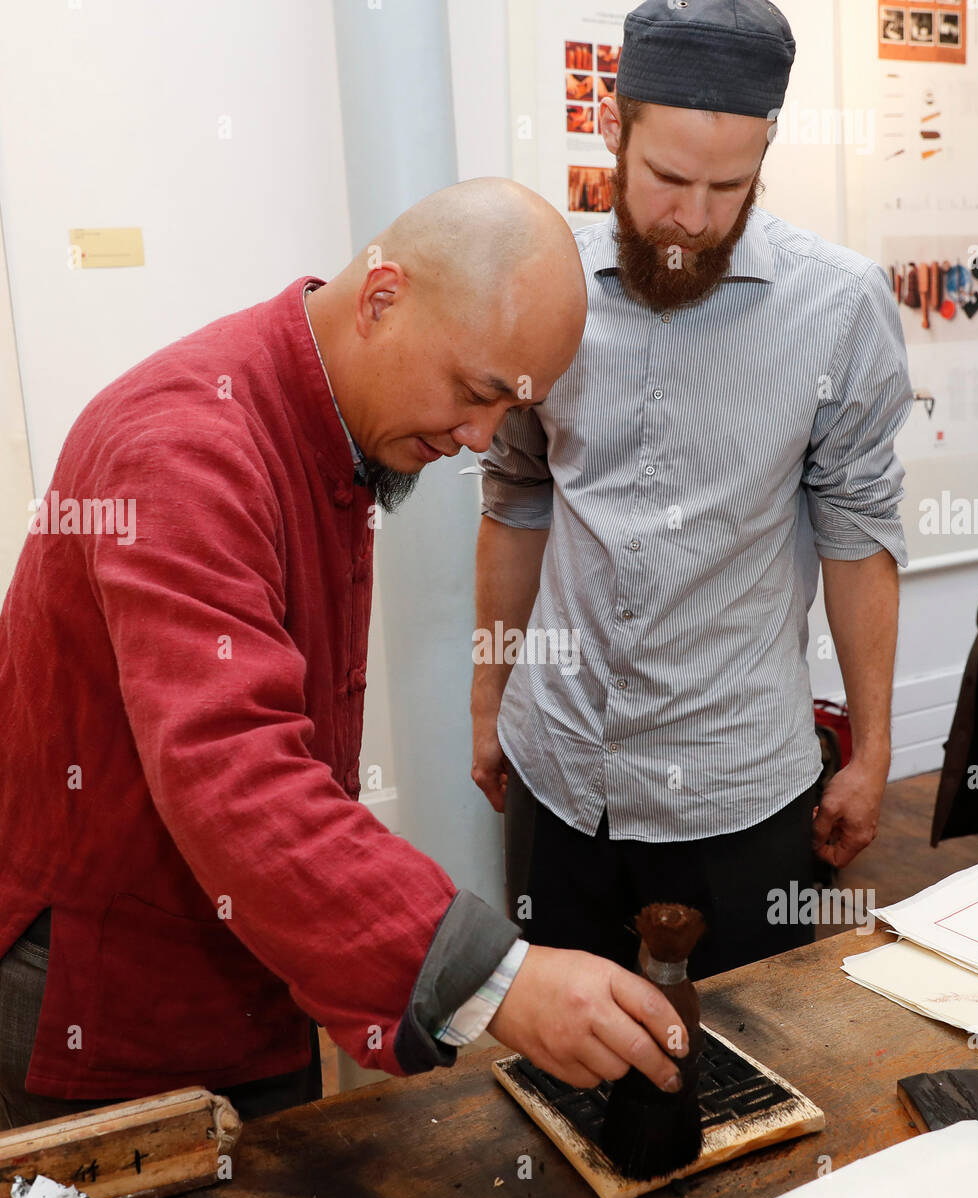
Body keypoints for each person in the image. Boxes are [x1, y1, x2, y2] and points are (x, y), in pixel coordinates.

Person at [0, 177, 689, 1131]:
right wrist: (497, 980)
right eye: (475, 392)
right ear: (382, 298)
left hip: (245, 957)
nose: (478, 439)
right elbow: (233, 772)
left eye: (508, 413)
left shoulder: (322, 424)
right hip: (109, 997)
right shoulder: (184, 446)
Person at [472, 2, 913, 979]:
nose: (695, 218)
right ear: (609, 129)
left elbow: (856, 535)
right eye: (668, 179)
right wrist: (486, 698)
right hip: (558, 760)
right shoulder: (542, 289)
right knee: (556, 1063)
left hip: (737, 786)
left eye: (729, 186)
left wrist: (872, 750)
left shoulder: (837, 310)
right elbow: (514, 500)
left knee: (749, 1061)